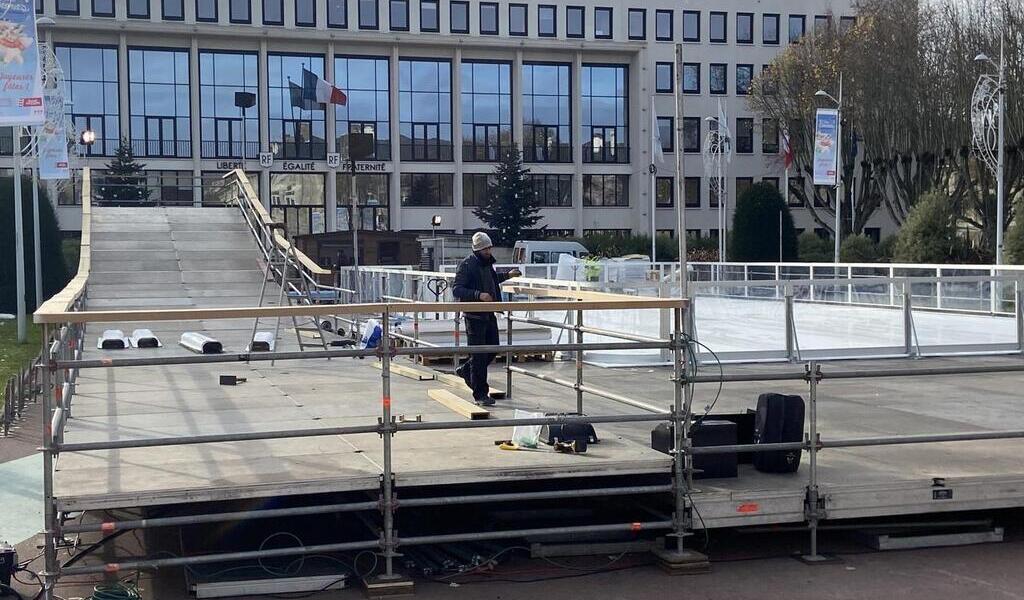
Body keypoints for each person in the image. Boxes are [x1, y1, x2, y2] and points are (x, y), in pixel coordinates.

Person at [452, 232, 521, 405]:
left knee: (492, 349)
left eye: (489, 248)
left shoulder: (486, 264)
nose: (489, 251)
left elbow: (491, 279)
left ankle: (466, 370)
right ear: (478, 250)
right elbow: (457, 289)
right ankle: (480, 394)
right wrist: (478, 295)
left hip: (488, 314)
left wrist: (508, 275)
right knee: (479, 355)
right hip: (474, 316)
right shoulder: (467, 265)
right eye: (485, 249)